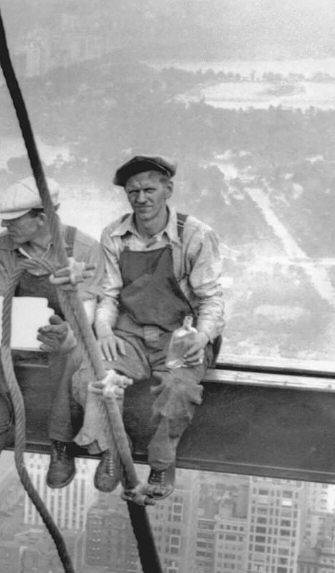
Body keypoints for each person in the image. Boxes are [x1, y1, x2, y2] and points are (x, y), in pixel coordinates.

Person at [74, 155, 224, 500]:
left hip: (180, 335)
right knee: (91, 378)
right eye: (133, 192)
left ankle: (161, 461)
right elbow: (108, 295)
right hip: (130, 334)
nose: (141, 199)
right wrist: (105, 332)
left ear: (167, 189)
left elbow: (211, 299)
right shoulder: (114, 235)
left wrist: (201, 336)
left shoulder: (195, 235)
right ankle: (114, 450)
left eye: (149, 189)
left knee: (179, 390)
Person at [0, 177, 101, 487]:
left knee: (69, 355)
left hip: (67, 328)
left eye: (13, 220)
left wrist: (67, 331)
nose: (4, 225)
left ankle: (60, 441)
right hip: (19, 324)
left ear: (42, 218)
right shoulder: (4, 247)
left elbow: (88, 309)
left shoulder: (84, 248)